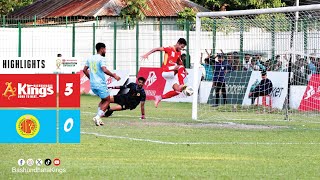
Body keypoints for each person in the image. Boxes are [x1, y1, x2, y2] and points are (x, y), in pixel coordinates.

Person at [141, 38, 188, 107]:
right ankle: (182, 84)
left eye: (183, 48)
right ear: (178, 43)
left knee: (178, 91)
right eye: (181, 47)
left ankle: (159, 97)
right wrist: (147, 54)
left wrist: (185, 70)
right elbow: (156, 49)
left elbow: (180, 62)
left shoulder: (178, 52)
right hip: (166, 70)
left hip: (172, 74)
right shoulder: (169, 48)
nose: (181, 49)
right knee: (180, 67)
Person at [83, 42, 121, 126]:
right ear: (102, 49)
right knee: (107, 100)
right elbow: (104, 69)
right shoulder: (101, 59)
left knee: (103, 100)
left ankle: (98, 118)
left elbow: (84, 70)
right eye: (105, 49)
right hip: (100, 84)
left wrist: (91, 78)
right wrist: (114, 75)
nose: (105, 51)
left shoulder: (90, 58)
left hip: (93, 84)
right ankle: (97, 116)